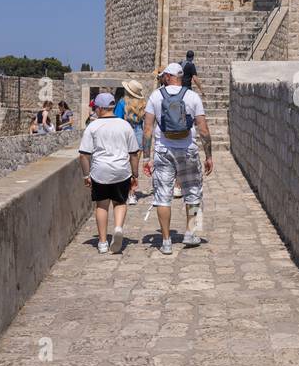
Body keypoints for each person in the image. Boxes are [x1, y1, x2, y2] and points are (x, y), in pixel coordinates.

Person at [142, 63, 213, 255]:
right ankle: (190, 233)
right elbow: (203, 129)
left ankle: (166, 241)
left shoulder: (156, 96)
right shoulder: (192, 96)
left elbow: (147, 129)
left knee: (163, 196)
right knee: (193, 192)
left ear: (167, 76)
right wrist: (209, 156)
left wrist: (146, 157)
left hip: (163, 151)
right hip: (188, 150)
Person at [77, 93, 140, 254]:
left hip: (100, 171)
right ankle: (118, 228)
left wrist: (86, 176)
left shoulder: (93, 126)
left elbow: (84, 154)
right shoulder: (125, 125)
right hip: (121, 170)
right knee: (120, 202)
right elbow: (134, 153)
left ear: (99, 108)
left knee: (102, 205)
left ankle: (103, 242)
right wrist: (135, 175)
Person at [117, 80, 147, 202]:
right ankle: (132, 194)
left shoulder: (122, 102)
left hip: (125, 133)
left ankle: (124, 191)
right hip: (139, 134)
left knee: (125, 164)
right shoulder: (143, 103)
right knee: (134, 165)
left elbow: (117, 120)